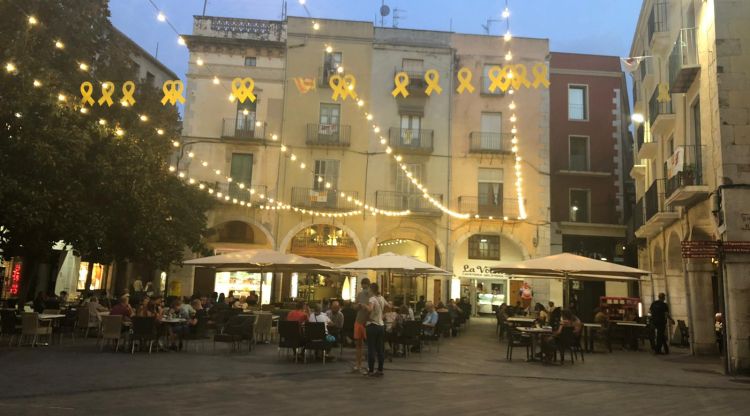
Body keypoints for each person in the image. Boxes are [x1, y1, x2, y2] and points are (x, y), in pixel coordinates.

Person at [364, 283, 387, 377]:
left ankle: (371, 370)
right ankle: (380, 369)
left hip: (372, 325)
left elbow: (370, 309)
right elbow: (389, 306)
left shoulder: (372, 299)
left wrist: (364, 306)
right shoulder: (381, 298)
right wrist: (382, 315)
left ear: (371, 289)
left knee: (371, 349)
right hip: (381, 326)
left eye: (369, 289)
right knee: (380, 349)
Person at [353, 278, 371, 374]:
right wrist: (358, 306)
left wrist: (366, 306)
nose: (364, 286)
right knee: (358, 345)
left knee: (368, 345)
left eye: (365, 285)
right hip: (359, 321)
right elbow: (354, 306)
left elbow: (372, 308)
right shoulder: (359, 294)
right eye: (363, 285)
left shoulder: (371, 295)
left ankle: (369, 365)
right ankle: (358, 364)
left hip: (367, 322)